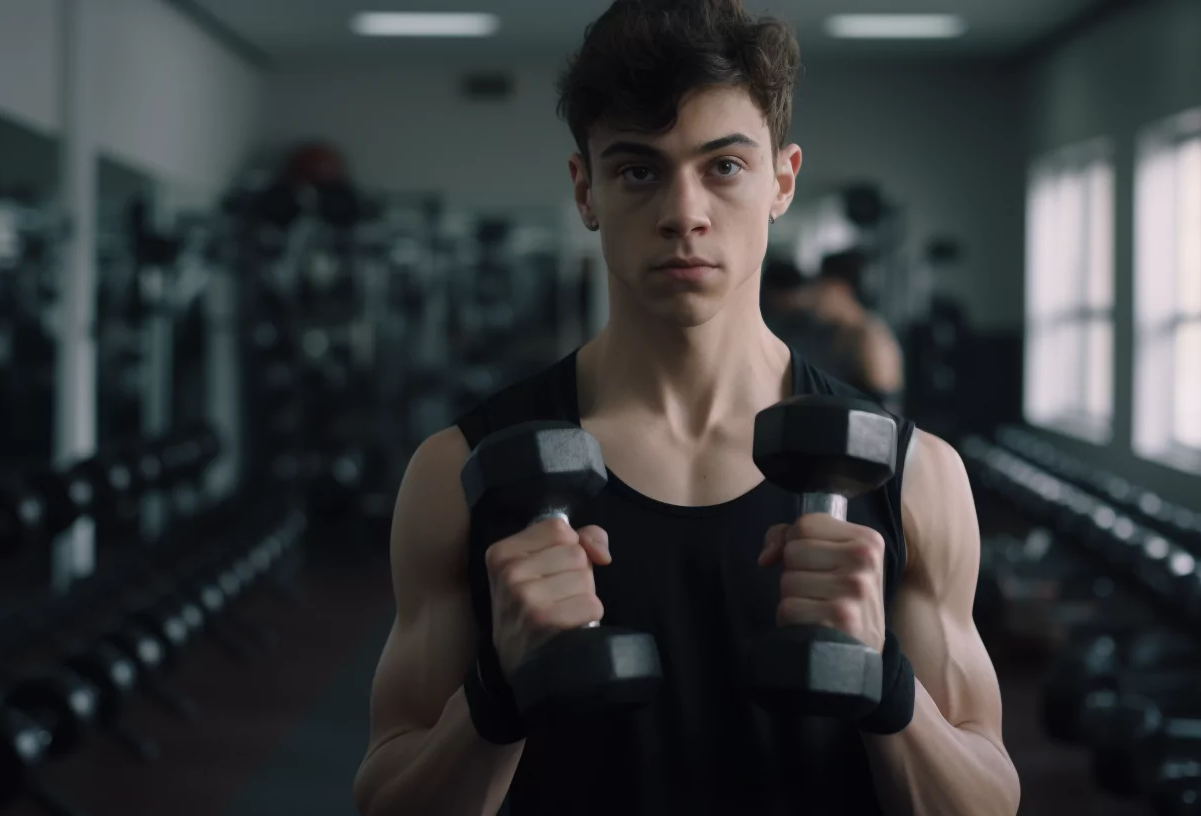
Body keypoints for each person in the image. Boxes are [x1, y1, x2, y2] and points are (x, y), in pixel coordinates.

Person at [353, 1, 1019, 814]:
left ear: (782, 180)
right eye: (638, 169)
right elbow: (389, 799)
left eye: (724, 166)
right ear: (584, 189)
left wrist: (884, 687)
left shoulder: (915, 477)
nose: (684, 213)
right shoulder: (457, 473)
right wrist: (497, 695)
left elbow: (988, 803)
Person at [811, 249, 906, 414]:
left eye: (820, 286)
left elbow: (885, 418)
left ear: (839, 288)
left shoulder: (871, 339)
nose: (815, 296)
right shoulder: (840, 333)